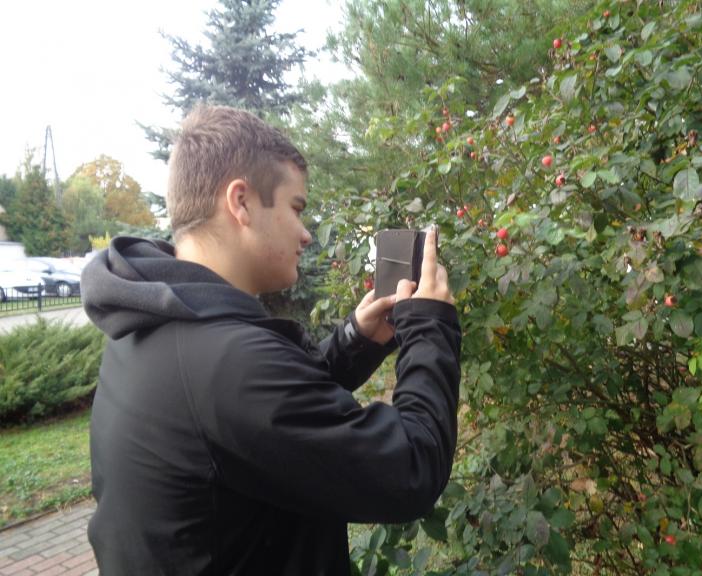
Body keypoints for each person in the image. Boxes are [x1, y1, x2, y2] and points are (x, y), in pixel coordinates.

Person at [81, 105, 461, 575]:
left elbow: (262, 425)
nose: (305, 234)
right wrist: (430, 324)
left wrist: (355, 340)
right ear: (240, 201)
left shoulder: (152, 325)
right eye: (295, 208)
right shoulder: (229, 363)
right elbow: (410, 469)